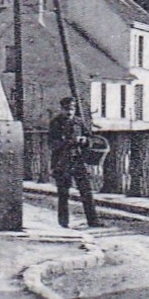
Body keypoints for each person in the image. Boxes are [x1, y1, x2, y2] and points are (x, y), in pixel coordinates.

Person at [48, 95, 100, 229]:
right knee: (63, 193)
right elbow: (52, 144)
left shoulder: (79, 122)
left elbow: (90, 138)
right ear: (61, 109)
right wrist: (69, 142)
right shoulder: (55, 123)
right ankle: (63, 223)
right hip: (62, 162)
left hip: (78, 160)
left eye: (72, 108)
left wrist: (85, 141)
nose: (69, 111)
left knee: (86, 191)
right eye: (66, 109)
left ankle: (93, 221)